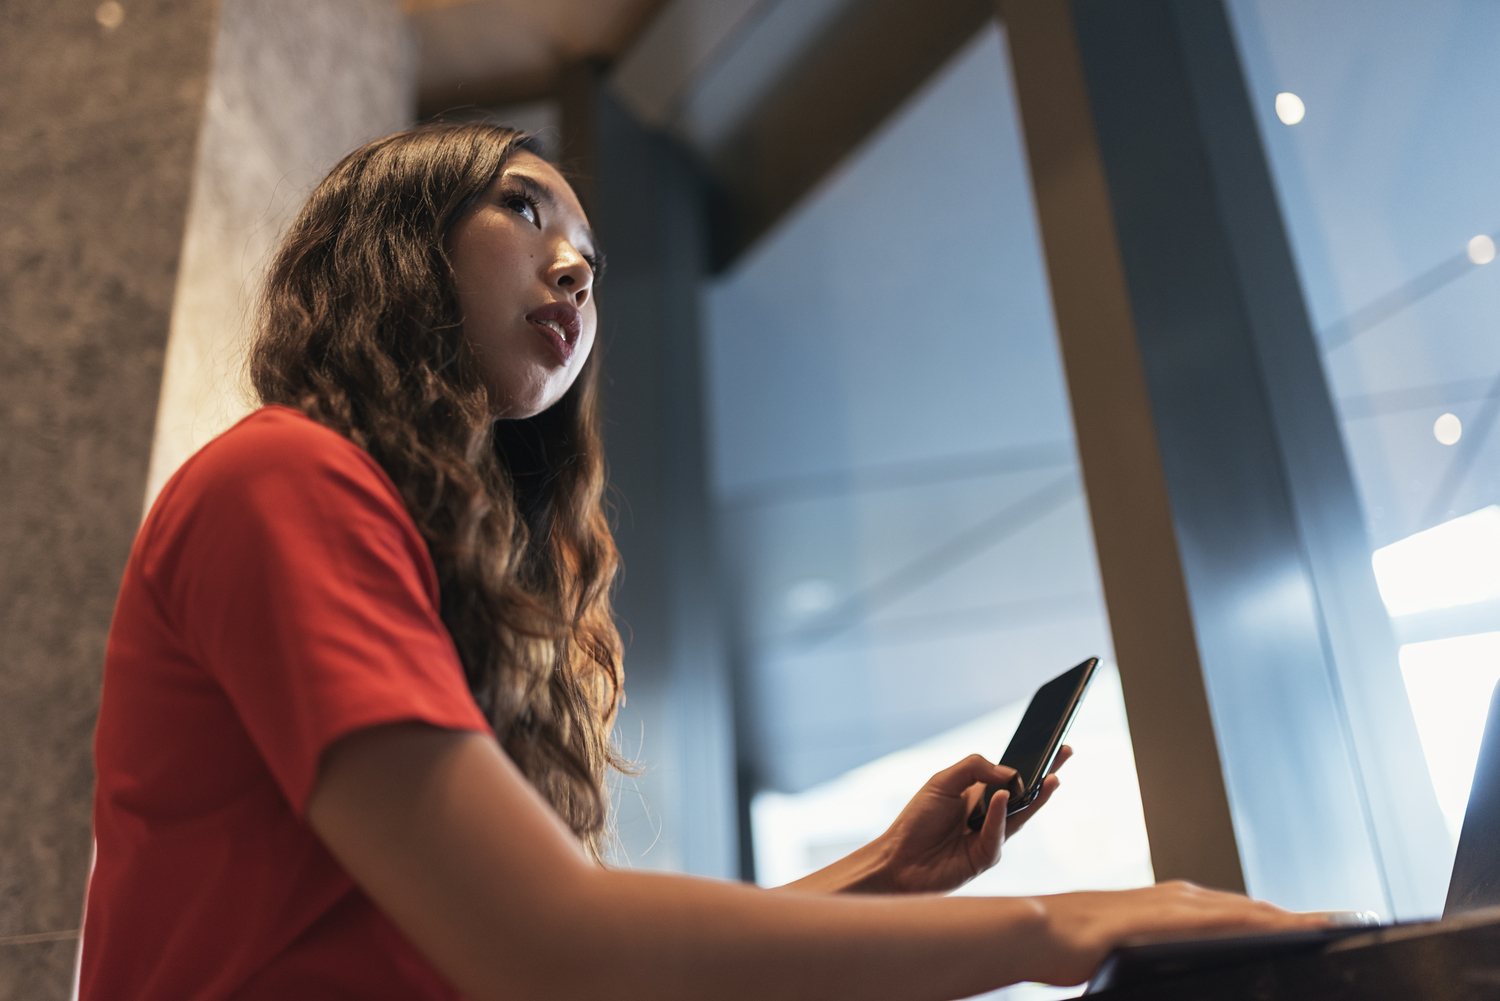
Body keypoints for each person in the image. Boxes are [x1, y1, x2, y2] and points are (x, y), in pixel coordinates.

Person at [80, 123, 1325, 1001]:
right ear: (395, 244)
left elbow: (565, 949)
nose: (573, 263)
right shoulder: (280, 479)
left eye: (592, 259)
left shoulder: (398, 546)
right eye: (522, 207)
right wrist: (1069, 925)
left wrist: (894, 868)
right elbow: (544, 948)